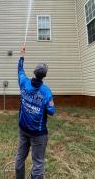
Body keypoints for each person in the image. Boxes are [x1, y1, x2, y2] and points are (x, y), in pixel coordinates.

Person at [15, 44, 56, 179]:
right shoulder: (46, 92)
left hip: (22, 129)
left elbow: (20, 69)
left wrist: (22, 55)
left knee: (20, 158)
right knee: (38, 162)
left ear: (34, 72)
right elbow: (51, 111)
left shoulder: (23, 82)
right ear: (44, 76)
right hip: (38, 133)